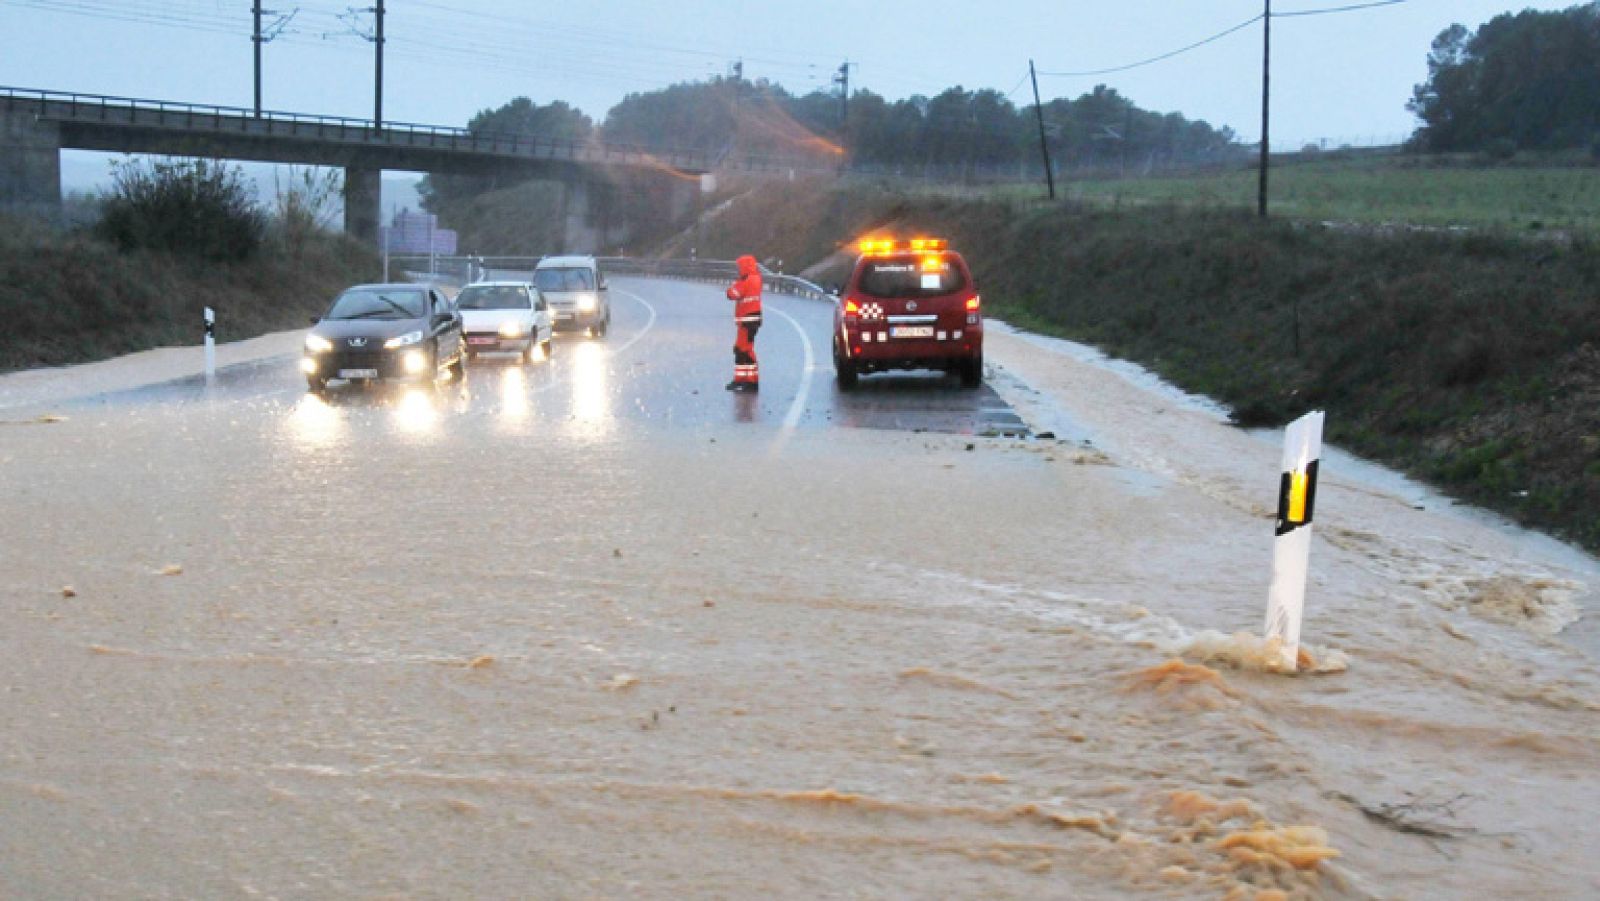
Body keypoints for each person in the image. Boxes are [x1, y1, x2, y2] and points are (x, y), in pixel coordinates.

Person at [725, 254, 762, 392]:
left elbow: (732, 294)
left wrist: (731, 288)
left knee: (744, 350)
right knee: (742, 349)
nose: (738, 269)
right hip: (752, 319)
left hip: (747, 319)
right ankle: (742, 379)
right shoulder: (756, 278)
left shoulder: (746, 279)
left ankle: (750, 381)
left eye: (740, 266)